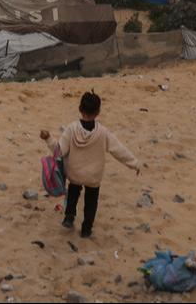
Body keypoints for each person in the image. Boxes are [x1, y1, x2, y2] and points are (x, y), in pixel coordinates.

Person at [40, 90, 141, 238]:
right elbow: (118, 150)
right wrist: (134, 163)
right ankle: (86, 229)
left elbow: (59, 151)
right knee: (91, 201)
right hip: (93, 177)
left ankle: (69, 217)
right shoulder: (103, 132)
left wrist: (48, 138)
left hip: (74, 173)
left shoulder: (72, 129)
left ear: (80, 109)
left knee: (73, 192)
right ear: (98, 112)